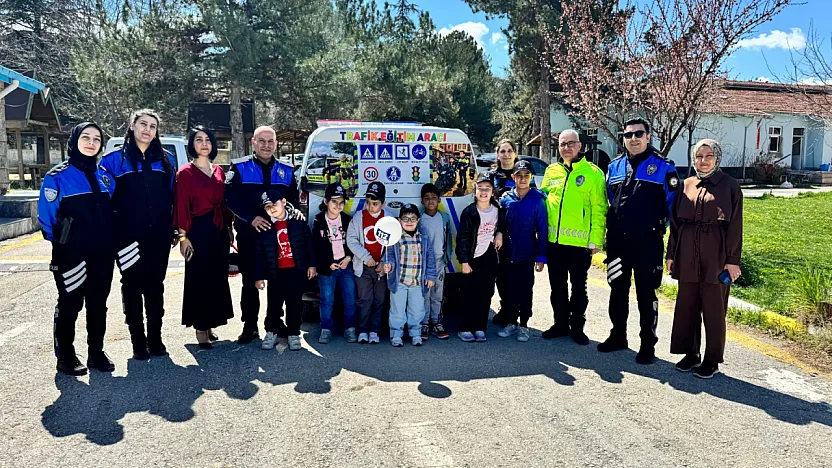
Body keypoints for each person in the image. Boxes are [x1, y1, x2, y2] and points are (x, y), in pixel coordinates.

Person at [38, 122, 116, 375]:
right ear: (75, 140)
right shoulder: (57, 176)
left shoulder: (105, 176)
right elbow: (46, 218)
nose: (91, 142)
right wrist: (64, 243)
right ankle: (66, 356)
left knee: (98, 304)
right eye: (86, 137)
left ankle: (96, 352)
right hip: (71, 253)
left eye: (96, 138)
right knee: (70, 303)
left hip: (101, 253)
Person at [600, 117, 679, 364]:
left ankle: (648, 344)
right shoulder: (614, 167)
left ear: (648, 136)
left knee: (646, 293)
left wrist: (654, 228)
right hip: (618, 243)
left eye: (638, 134)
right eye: (628, 135)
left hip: (647, 243)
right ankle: (618, 336)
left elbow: (672, 208)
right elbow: (608, 201)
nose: (633, 138)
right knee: (617, 290)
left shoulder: (664, 167)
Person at [100, 109, 176, 360]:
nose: (148, 130)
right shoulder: (112, 161)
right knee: (132, 286)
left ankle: (155, 339)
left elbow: (171, 196)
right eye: (143, 124)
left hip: (159, 236)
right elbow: (104, 200)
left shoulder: (165, 160)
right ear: (132, 126)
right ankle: (138, 342)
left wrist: (174, 229)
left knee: (155, 286)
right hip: (127, 237)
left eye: (153, 126)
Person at [667, 139, 743, 379]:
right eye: (699, 156)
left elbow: (735, 226)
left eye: (708, 155)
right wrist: (671, 255)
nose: (703, 160)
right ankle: (690, 353)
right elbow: (676, 225)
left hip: (716, 254)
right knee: (687, 305)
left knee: (713, 308)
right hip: (687, 251)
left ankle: (712, 359)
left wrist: (733, 260)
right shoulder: (686, 184)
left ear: (717, 157)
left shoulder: (730, 186)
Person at [225, 125, 300, 344]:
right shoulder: (239, 168)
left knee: (280, 283)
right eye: (262, 141)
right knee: (250, 283)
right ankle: (250, 326)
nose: (266, 145)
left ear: (276, 144)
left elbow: (294, 201)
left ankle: (277, 324)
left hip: (279, 238)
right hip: (251, 234)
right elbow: (230, 197)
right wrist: (251, 218)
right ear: (254, 143)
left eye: (270, 141)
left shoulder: (286, 170)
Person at [540, 129, 608, 345]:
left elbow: (599, 208)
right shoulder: (552, 171)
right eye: (562, 144)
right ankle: (560, 324)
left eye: (570, 143)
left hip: (579, 245)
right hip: (554, 242)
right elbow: (543, 201)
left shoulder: (593, 173)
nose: (566, 148)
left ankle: (577, 327)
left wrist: (596, 239)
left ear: (580, 146)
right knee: (556, 287)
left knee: (578, 288)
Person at [173, 126, 235, 349]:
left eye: (208, 139)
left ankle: (211, 323)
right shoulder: (185, 173)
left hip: (218, 229)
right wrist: (183, 237)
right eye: (199, 140)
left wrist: (228, 228)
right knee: (198, 277)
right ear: (192, 144)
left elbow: (225, 203)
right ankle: (200, 326)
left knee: (216, 277)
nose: (204, 143)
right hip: (197, 230)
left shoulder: (219, 171)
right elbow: (180, 206)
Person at [254, 189, 317, 351]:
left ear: (283, 202)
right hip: (276, 273)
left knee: (294, 303)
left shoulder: (298, 221)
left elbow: (309, 245)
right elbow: (259, 254)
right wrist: (259, 276)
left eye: (274, 204)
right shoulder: (266, 227)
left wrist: (311, 265)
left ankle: (294, 333)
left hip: (296, 271)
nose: (271, 209)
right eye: (267, 207)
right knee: (274, 304)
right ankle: (272, 331)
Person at [495, 161, 548, 343]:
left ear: (531, 178)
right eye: (519, 175)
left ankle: (524, 325)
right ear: (513, 177)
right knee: (508, 289)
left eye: (526, 176)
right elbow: (499, 224)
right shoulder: (506, 199)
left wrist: (541, 257)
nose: (522, 179)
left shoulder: (538, 200)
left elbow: (542, 229)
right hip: (507, 254)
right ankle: (511, 322)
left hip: (527, 253)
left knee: (525, 290)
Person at [455, 172, 504, 342]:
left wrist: (499, 234)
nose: (483, 192)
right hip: (472, 258)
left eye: (487, 189)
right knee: (469, 294)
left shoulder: (497, 210)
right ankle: (465, 327)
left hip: (488, 257)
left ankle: (480, 327)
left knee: (486, 293)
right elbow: (461, 238)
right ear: (475, 190)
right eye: (480, 188)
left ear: (493, 191)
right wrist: (464, 261)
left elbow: (502, 227)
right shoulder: (469, 212)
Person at [383, 203, 437, 347]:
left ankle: (415, 333)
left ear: (418, 220)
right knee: (397, 310)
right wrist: (389, 265)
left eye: (412, 218)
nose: (409, 222)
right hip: (400, 281)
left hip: (417, 281)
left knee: (417, 310)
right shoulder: (395, 238)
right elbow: (389, 255)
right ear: (399, 220)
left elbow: (430, 257)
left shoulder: (423, 237)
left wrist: (431, 276)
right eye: (405, 219)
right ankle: (396, 334)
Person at [312, 183, 357, 344]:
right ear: (326, 201)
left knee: (350, 298)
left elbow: (354, 242)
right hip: (327, 269)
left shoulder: (347, 220)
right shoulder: (318, 221)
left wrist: (349, 258)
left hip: (345, 266)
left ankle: (350, 328)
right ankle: (326, 329)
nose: (338, 205)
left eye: (341, 202)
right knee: (327, 299)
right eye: (334, 201)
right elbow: (316, 247)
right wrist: (326, 264)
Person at [346, 181, 388, 344]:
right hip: (363, 268)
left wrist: (383, 262)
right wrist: (366, 257)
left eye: (375, 203)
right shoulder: (359, 217)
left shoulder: (388, 218)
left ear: (383, 203)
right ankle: (363, 330)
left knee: (379, 300)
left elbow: (393, 244)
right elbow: (351, 240)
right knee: (365, 300)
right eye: (368, 203)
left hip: (381, 269)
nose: (371, 207)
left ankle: (374, 331)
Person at [489, 139, 520, 328]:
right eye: (503, 151)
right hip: (495, 232)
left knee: (513, 275)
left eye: (510, 151)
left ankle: (512, 313)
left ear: (515, 153)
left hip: (516, 232)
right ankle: (504, 309)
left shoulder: (522, 174)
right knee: (499, 275)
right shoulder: (492, 176)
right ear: (498, 154)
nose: (506, 154)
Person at [418, 183, 453, 340]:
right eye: (427, 198)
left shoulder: (444, 218)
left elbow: (449, 240)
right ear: (422, 201)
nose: (430, 201)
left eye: (433, 198)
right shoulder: (419, 218)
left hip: (439, 262)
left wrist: (447, 259)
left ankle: (436, 322)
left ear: (439, 200)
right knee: (424, 295)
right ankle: (424, 323)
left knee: (438, 294)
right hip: (423, 264)